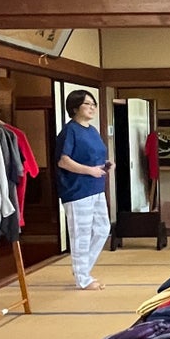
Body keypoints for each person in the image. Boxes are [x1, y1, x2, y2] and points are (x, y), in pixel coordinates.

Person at [55, 89, 111, 291]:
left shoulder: (92, 130)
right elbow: (64, 161)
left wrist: (105, 165)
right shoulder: (69, 131)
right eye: (87, 104)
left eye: (93, 104)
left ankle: (83, 270)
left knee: (103, 229)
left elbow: (92, 156)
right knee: (81, 234)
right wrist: (90, 170)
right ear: (74, 108)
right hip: (77, 190)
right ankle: (83, 278)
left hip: (96, 187)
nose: (92, 108)